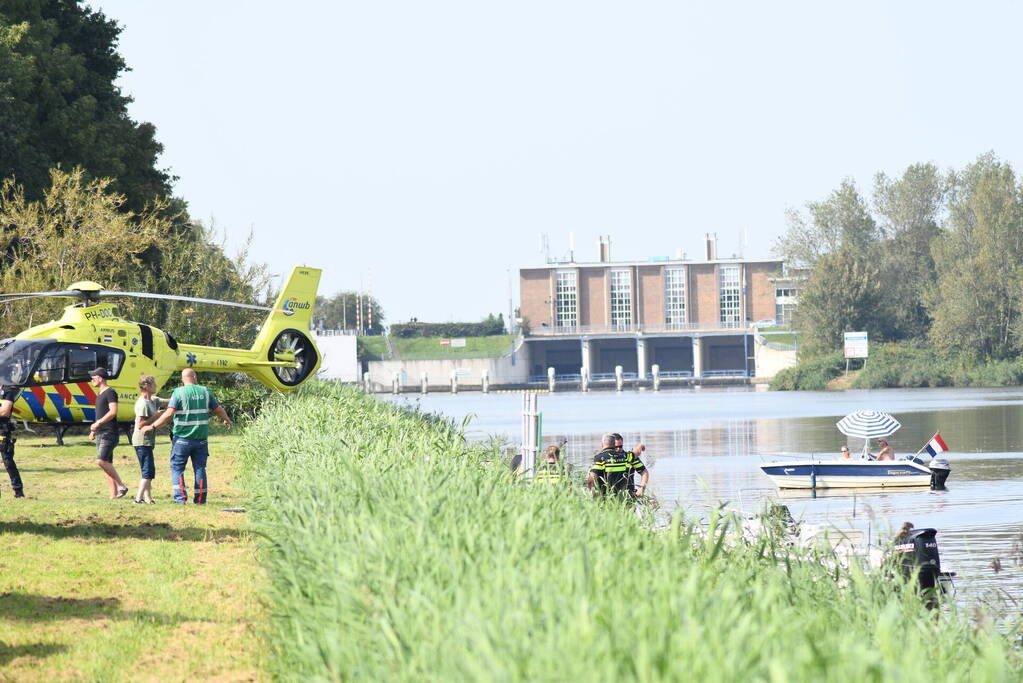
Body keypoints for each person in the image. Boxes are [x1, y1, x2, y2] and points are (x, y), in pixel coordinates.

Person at [143, 368, 232, 504]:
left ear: (182, 380)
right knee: (200, 468)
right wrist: (227, 419)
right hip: (201, 439)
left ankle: (180, 499)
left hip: (182, 439)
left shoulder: (178, 392)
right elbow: (218, 409)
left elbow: (168, 414)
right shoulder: (205, 391)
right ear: (195, 377)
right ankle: (200, 500)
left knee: (177, 468)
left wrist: (153, 426)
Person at [88, 367, 129, 499]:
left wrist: (98, 423)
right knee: (107, 465)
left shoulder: (110, 392)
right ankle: (113, 496)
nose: (91, 380)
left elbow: (113, 412)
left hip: (109, 432)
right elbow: (100, 414)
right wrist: (94, 430)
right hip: (100, 432)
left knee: (101, 461)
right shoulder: (100, 394)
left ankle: (122, 486)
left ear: (100, 378)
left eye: (93, 378)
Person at [131, 375, 165, 504]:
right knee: (148, 471)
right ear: (146, 386)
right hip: (142, 441)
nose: (156, 386)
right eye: (154, 384)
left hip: (147, 441)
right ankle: (138, 499)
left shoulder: (152, 400)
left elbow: (168, 401)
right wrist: (156, 416)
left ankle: (148, 498)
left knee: (147, 469)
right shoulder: (143, 404)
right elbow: (140, 425)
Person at [588, 432, 648, 499]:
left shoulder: (627, 456)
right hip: (608, 496)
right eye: (616, 447)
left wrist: (641, 489)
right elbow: (636, 452)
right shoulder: (627, 456)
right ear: (613, 445)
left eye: (620, 446)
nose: (618, 449)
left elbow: (644, 472)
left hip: (628, 496)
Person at [0, 385, 24, 498]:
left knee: (8, 462)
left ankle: (18, 491)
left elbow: (4, 411)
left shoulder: (7, 391)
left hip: (2, 431)